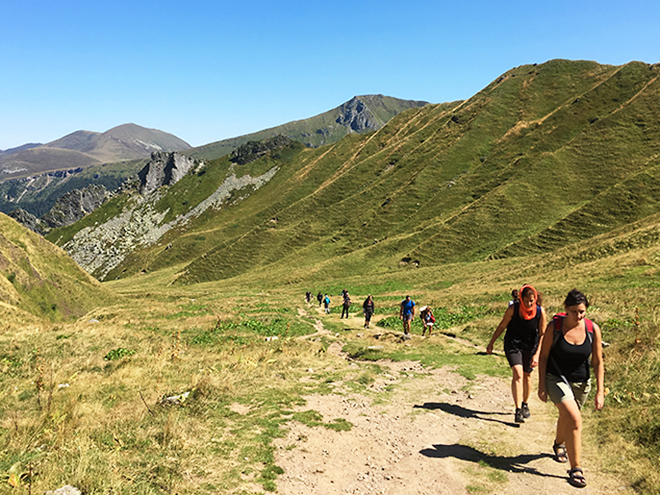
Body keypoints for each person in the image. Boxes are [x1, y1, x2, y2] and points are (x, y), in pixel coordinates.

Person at [537, 289, 604, 489]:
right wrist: (541, 385)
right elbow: (543, 356)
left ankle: (558, 444)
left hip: (581, 382)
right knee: (575, 419)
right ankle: (576, 469)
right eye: (574, 311)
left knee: (567, 418)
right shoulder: (555, 327)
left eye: (582, 311)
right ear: (566, 308)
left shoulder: (593, 329)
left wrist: (600, 391)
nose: (578, 315)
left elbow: (598, 362)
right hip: (556, 378)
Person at [487, 284, 547, 423]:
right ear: (520, 298)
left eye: (532, 301)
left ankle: (525, 404)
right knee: (518, 374)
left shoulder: (540, 312)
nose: (529, 303)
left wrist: (537, 354)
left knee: (527, 375)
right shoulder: (512, 309)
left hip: (531, 346)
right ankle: (518, 409)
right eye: (526, 300)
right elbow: (502, 325)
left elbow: (543, 334)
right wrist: (491, 342)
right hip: (513, 344)